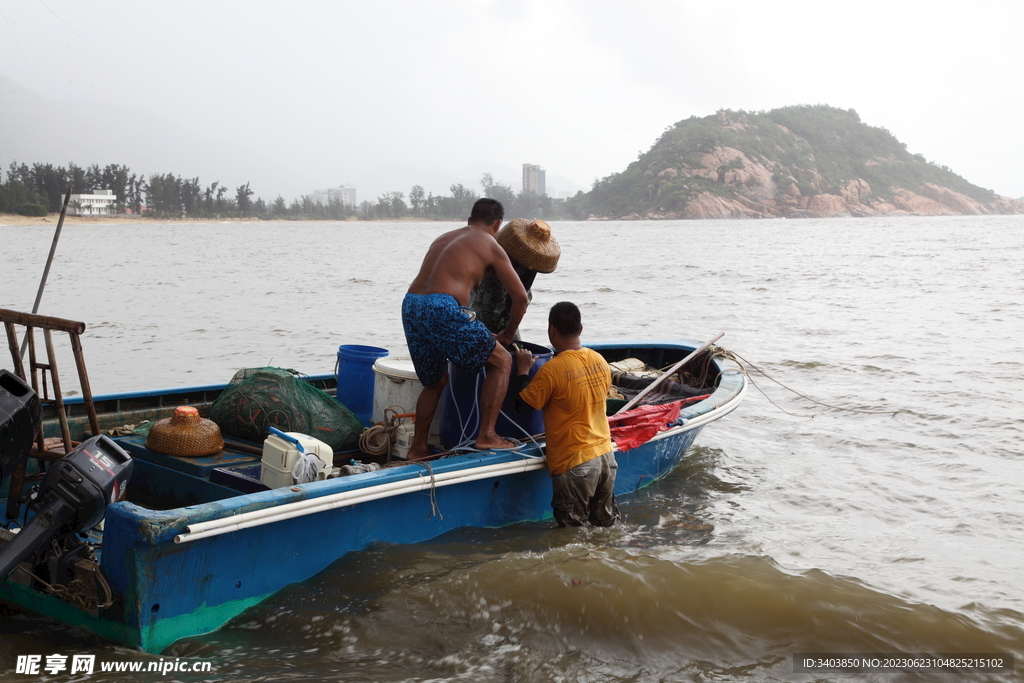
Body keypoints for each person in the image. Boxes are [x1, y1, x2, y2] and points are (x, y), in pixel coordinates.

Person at [403, 198, 530, 460]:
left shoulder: (443, 238)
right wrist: (507, 334)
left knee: (435, 381)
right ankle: (487, 435)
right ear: (497, 225)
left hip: (411, 304)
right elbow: (521, 298)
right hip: (443, 307)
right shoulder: (492, 245)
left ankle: (417, 448)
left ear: (470, 220)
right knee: (503, 361)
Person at [513, 301, 619, 527]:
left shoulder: (553, 369)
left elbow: (522, 406)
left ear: (551, 330)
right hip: (606, 458)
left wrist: (523, 371)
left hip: (576, 463)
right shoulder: (599, 360)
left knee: (570, 535)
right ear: (580, 329)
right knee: (606, 526)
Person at [469, 218, 560, 339]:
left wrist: (507, 333)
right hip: (478, 314)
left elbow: (521, 299)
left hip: (505, 317)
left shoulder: (530, 265)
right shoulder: (490, 254)